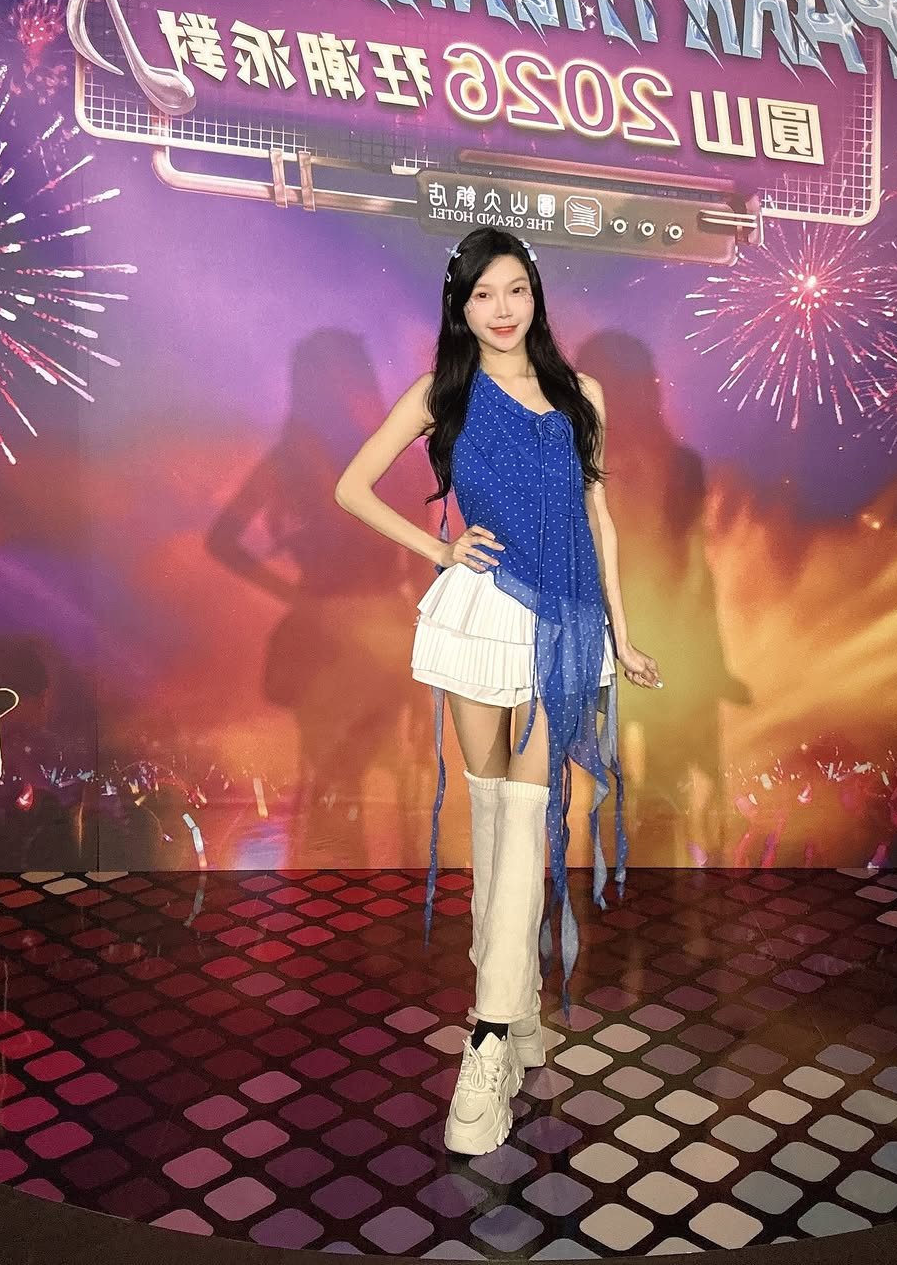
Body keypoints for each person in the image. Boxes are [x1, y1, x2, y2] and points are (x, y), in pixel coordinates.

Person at [335, 227, 660, 1155]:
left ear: (536, 295)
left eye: (516, 289)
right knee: (492, 815)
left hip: (569, 617)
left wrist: (621, 632)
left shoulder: (581, 393)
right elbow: (351, 486)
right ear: (461, 305)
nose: (503, 308)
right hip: (483, 608)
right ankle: (516, 1018)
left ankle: (484, 1039)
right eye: (484, 294)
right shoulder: (441, 392)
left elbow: (600, 517)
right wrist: (440, 548)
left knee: (527, 809)